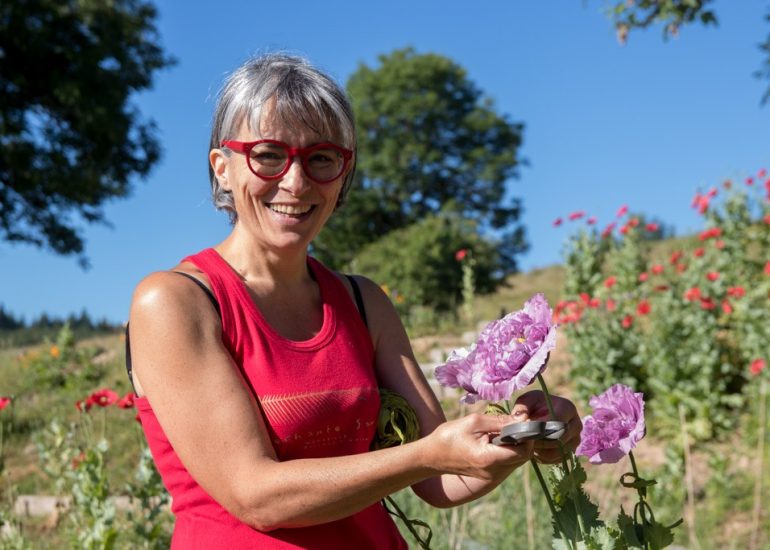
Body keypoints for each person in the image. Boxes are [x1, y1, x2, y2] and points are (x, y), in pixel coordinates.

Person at [126, 52, 581, 549]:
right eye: (269, 154)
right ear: (223, 168)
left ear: (343, 175)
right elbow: (255, 495)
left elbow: (441, 481)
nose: (295, 182)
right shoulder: (175, 302)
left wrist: (519, 438)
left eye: (321, 158)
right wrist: (427, 455)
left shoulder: (363, 302)